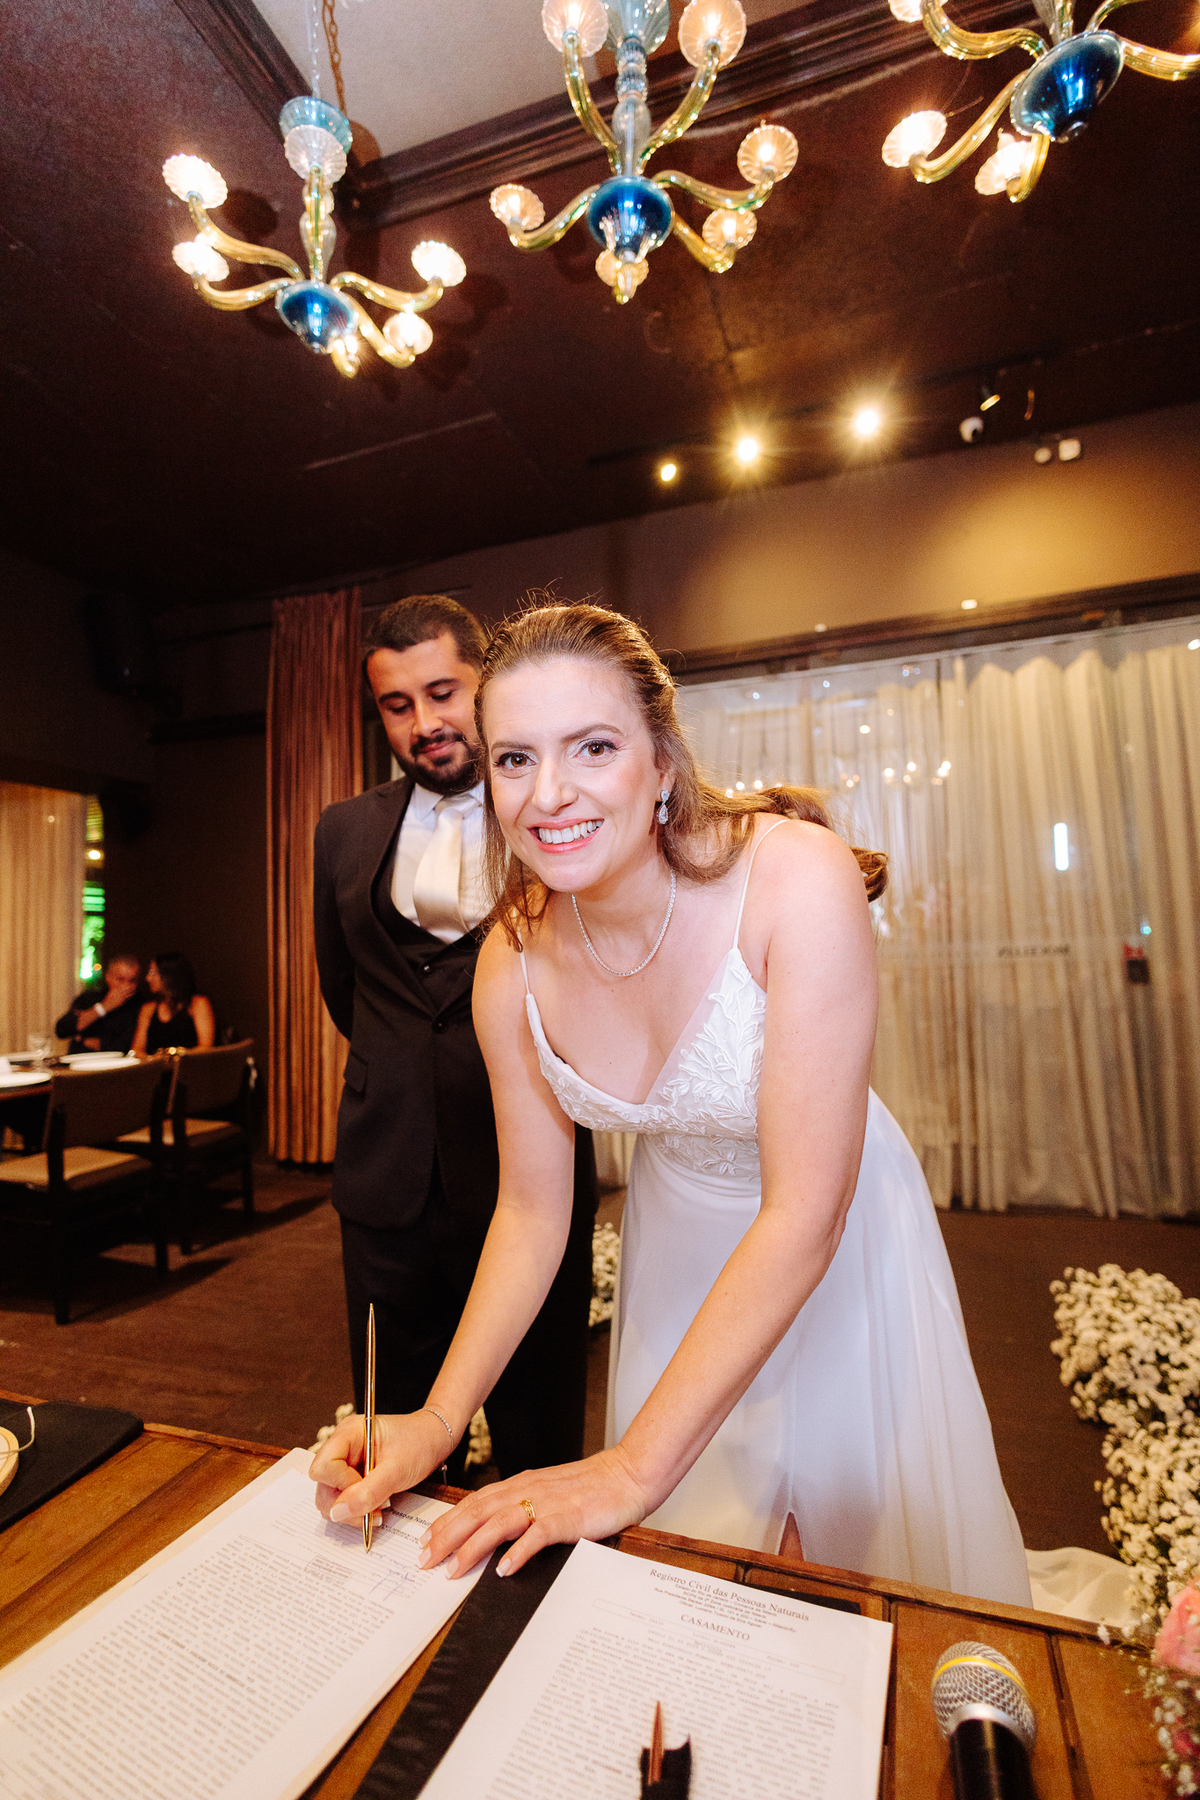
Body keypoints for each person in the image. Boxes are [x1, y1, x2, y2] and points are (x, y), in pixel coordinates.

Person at [312, 600, 1031, 1609]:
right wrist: (438, 1418)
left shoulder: (794, 879)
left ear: (661, 761)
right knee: (703, 1553)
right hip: (679, 1238)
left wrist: (630, 1468)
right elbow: (530, 1213)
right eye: (514, 759)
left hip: (833, 1228)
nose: (547, 795)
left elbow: (805, 1212)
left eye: (593, 747)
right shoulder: (510, 963)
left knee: (851, 1552)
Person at [311, 594, 598, 1485]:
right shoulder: (344, 831)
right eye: (398, 705)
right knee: (389, 1415)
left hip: (527, 1162)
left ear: (484, 686)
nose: (425, 723)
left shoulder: (551, 812)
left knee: (537, 1419)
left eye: (443, 693)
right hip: (384, 1173)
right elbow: (344, 989)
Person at [54, 953, 145, 1054]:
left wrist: (91, 1042)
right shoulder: (89, 998)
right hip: (82, 1064)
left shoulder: (141, 1005)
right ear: (108, 977)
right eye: (120, 979)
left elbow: (127, 1046)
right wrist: (103, 1007)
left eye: (132, 981)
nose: (126, 986)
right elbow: (62, 1030)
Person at [132, 953, 215, 1054]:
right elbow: (137, 1049)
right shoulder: (148, 1009)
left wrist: (175, 1058)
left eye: (153, 973)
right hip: (156, 1067)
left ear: (169, 975)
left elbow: (205, 1047)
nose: (148, 978)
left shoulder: (197, 1003)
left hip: (188, 1066)